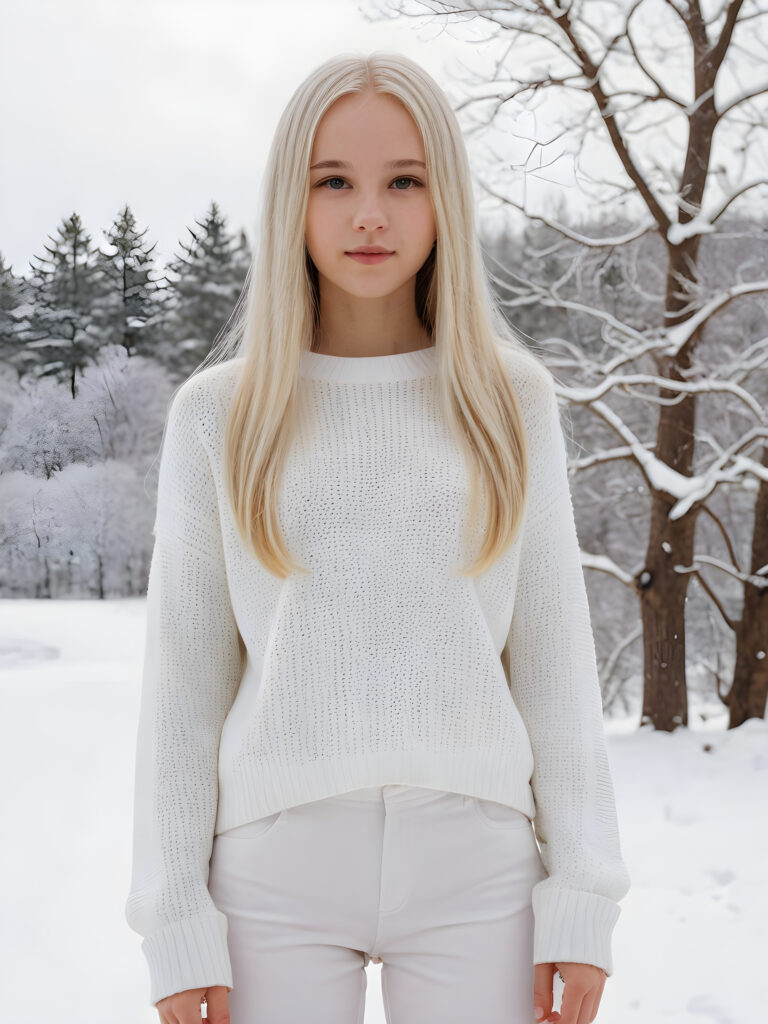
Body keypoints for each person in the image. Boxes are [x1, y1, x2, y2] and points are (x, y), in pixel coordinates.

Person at [125, 50, 631, 1024]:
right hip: (270, 874)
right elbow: (182, 691)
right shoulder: (218, 417)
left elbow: (556, 666)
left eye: (404, 181)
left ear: (445, 198)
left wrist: (582, 899)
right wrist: (175, 919)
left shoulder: (507, 402)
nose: (370, 216)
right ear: (292, 202)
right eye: (334, 183)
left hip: (479, 869)